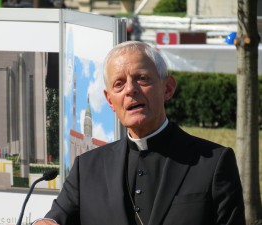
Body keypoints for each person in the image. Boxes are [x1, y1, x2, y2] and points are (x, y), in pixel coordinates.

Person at [33, 41, 245, 225]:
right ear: (110, 101)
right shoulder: (87, 168)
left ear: (168, 88)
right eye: (119, 84)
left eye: (142, 78)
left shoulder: (213, 162)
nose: (130, 90)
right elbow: (56, 217)